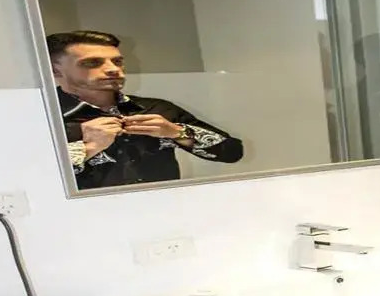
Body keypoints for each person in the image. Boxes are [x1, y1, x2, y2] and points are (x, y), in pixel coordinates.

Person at [47, 30, 243, 189]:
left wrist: (176, 132)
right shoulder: (44, 118)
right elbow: (35, 182)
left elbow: (232, 152)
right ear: (55, 70)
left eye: (117, 61)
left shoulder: (156, 109)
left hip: (165, 214)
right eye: (92, 63)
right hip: (85, 220)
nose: (113, 69)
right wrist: (88, 148)